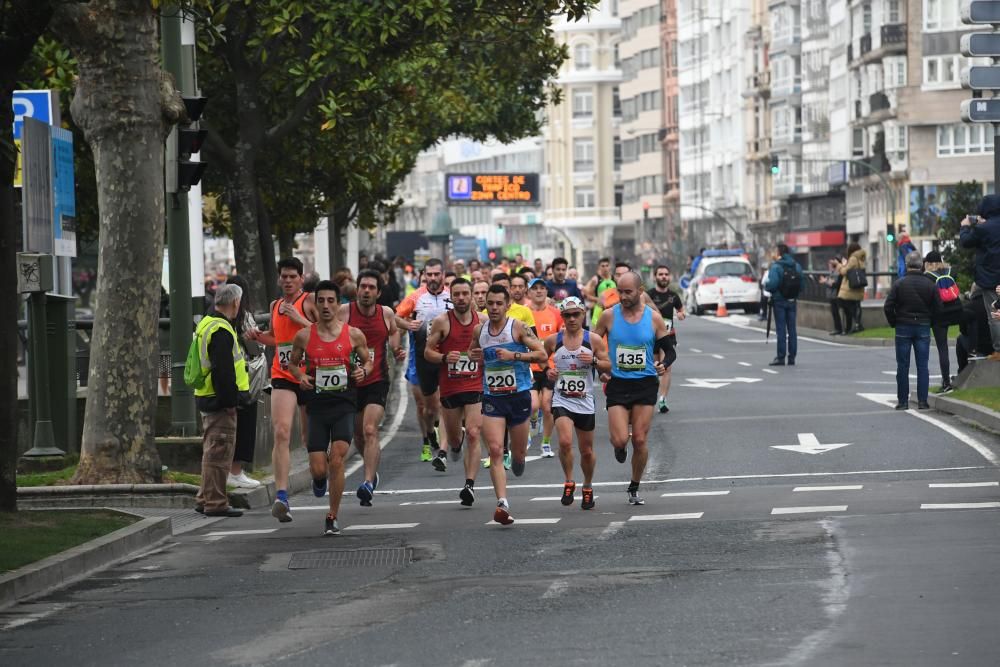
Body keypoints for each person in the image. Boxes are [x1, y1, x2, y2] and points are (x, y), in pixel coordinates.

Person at [289, 281, 372, 535]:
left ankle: (332, 515)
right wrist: (300, 376)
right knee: (318, 468)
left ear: (338, 304)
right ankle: (318, 479)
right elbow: (292, 364)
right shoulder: (304, 336)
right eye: (321, 301)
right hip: (316, 406)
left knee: (337, 458)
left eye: (331, 301)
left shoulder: (354, 334)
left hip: (344, 404)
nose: (325, 306)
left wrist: (362, 371)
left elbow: (368, 361)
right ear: (316, 303)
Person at [469, 284, 548, 525]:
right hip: (493, 397)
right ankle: (502, 502)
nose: (493, 307)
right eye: (490, 303)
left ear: (506, 305)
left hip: (519, 395)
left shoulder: (518, 328)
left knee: (519, 454)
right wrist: (474, 356)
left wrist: (514, 355)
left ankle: (519, 459)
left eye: (498, 303)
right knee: (495, 449)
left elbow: (542, 355)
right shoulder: (479, 331)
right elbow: (473, 352)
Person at [593, 272, 671, 506]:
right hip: (618, 383)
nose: (623, 296)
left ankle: (634, 486)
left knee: (639, 438)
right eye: (620, 291)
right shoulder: (608, 316)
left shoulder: (654, 318)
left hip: (645, 384)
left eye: (628, 292)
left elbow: (670, 349)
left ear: (640, 290)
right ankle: (619, 448)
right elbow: (592, 346)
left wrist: (663, 364)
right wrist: (600, 368)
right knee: (619, 440)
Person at [251, 257, 318, 523]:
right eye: (284, 277)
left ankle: (319, 475)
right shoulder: (275, 305)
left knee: (309, 437)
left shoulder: (310, 302)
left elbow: (325, 332)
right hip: (283, 374)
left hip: (310, 375)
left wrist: (299, 318)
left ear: (301, 278)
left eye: (293, 276)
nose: (288, 281)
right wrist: (258, 337)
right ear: (279, 279)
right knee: (281, 432)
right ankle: (281, 496)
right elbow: (277, 339)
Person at [342, 269, 405, 505]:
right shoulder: (345, 312)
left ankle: (368, 482)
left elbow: (394, 331)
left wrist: (396, 349)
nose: (366, 291)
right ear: (357, 289)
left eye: (371, 287)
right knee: (357, 433)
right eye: (363, 286)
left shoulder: (386, 313)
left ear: (378, 293)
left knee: (370, 429)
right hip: (351, 380)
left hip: (377, 379)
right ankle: (372, 470)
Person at [544, 297, 609, 510]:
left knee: (587, 450)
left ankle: (588, 486)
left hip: (585, 401)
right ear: (562, 317)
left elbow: (608, 366)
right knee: (564, 442)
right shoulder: (554, 340)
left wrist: (594, 362)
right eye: (567, 315)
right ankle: (569, 480)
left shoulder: (594, 340)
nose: (572, 319)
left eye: (576, 314)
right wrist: (548, 371)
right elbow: (540, 358)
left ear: (583, 315)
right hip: (562, 399)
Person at [424, 279, 486, 497]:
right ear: (451, 297)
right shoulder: (442, 321)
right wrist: (443, 357)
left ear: (471, 296)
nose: (461, 298)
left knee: (473, 432)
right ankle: (455, 447)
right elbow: (427, 352)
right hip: (450, 387)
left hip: (475, 384)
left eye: (465, 294)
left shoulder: (483, 321)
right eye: (457, 294)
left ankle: (469, 484)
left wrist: (483, 356)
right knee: (454, 439)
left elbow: (494, 348)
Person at [192, 283, 248, 517]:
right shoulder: (222, 330)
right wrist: (230, 403)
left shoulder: (206, 323)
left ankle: (204, 498)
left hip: (206, 396)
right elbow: (223, 372)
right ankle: (216, 502)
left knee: (211, 450)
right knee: (219, 453)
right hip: (220, 401)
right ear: (235, 302)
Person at [396, 259, 453, 461]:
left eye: (437, 274)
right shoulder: (415, 297)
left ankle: (443, 449)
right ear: (425, 276)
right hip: (423, 358)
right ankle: (429, 434)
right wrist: (407, 325)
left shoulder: (452, 295)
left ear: (443, 275)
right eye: (429, 275)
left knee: (443, 403)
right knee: (428, 408)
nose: (433, 278)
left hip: (447, 358)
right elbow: (395, 317)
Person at [884, 252, 937, 411]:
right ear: (922, 265)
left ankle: (903, 401)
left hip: (903, 326)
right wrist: (930, 321)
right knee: (922, 366)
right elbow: (938, 307)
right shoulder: (929, 284)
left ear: (907, 265)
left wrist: (894, 322)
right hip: (923, 326)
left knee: (902, 366)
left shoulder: (899, 284)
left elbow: (888, 306)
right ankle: (922, 401)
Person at [224, 275, 262, 490]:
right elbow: (255, 348)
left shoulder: (218, 318)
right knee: (245, 426)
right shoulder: (244, 318)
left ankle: (228, 470)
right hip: (245, 379)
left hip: (224, 381)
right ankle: (236, 471)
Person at [959, 198, 1000, 359]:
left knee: (994, 314)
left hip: (989, 278)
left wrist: (965, 227)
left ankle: (998, 350)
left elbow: (966, 241)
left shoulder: (984, 228)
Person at [527, 277, 563, 456]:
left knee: (547, 407)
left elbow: (562, 337)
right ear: (529, 292)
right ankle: (532, 419)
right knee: (533, 405)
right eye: (535, 288)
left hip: (550, 366)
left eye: (542, 288)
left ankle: (546, 443)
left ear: (547, 291)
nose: (539, 291)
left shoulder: (555, 313)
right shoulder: (523, 313)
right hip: (529, 366)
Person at [646, 265, 686, 413]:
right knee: (653, 368)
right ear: (655, 277)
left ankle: (662, 399)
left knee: (666, 366)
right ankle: (652, 394)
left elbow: (681, 310)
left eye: (666, 274)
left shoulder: (673, 296)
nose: (664, 277)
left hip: (668, 336)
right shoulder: (648, 295)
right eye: (661, 274)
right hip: (651, 336)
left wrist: (682, 314)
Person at [923, 251, 957, 392]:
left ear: (928, 263)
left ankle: (946, 382)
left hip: (939, 316)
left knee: (943, 348)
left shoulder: (928, 277)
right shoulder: (951, 271)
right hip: (956, 312)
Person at [765, 243, 804, 366]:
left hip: (779, 301)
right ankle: (792, 357)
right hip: (792, 301)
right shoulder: (796, 266)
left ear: (778, 253)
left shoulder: (776, 267)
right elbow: (802, 285)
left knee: (781, 329)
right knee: (792, 329)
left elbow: (772, 285)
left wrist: (767, 285)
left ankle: (781, 357)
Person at [836, 242, 867, 334]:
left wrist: (839, 266)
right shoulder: (861, 257)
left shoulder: (853, 258)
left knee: (846, 306)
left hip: (850, 288)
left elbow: (845, 271)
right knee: (856, 306)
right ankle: (856, 325)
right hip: (858, 286)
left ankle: (852, 326)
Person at [818, 257, 845, 335]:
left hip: (836, 295)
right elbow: (831, 283)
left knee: (838, 312)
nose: (830, 265)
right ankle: (837, 328)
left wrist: (827, 281)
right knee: (834, 313)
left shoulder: (837, 273)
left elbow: (834, 284)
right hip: (832, 295)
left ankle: (840, 329)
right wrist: (827, 281)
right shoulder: (832, 273)